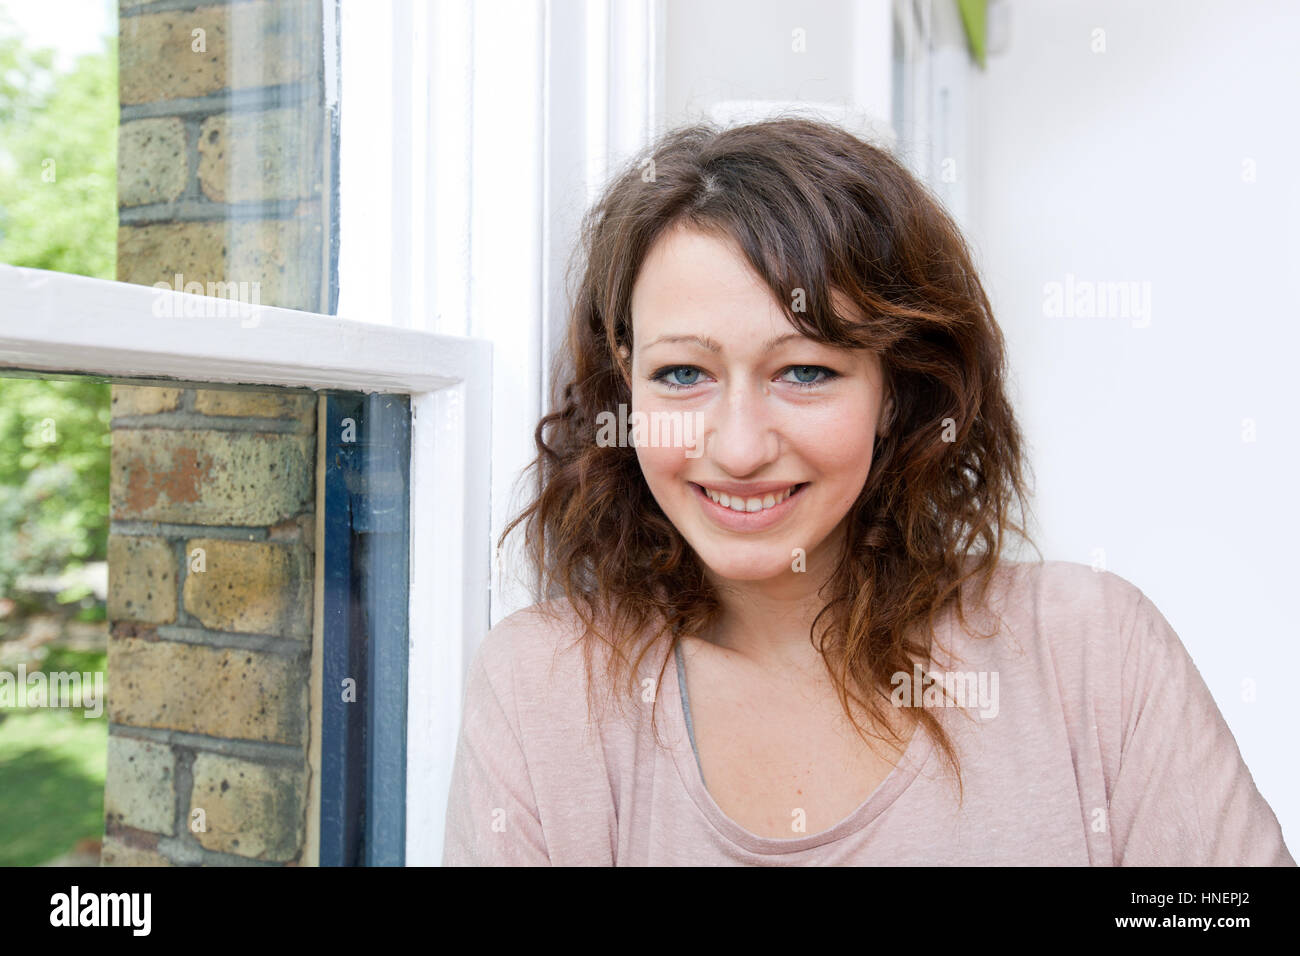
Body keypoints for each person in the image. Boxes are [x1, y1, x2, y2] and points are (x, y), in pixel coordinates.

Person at [441, 117, 1294, 866]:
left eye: (806, 371)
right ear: (627, 384)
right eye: (683, 373)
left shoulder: (1093, 654)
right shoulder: (542, 691)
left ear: (897, 388)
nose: (738, 448)